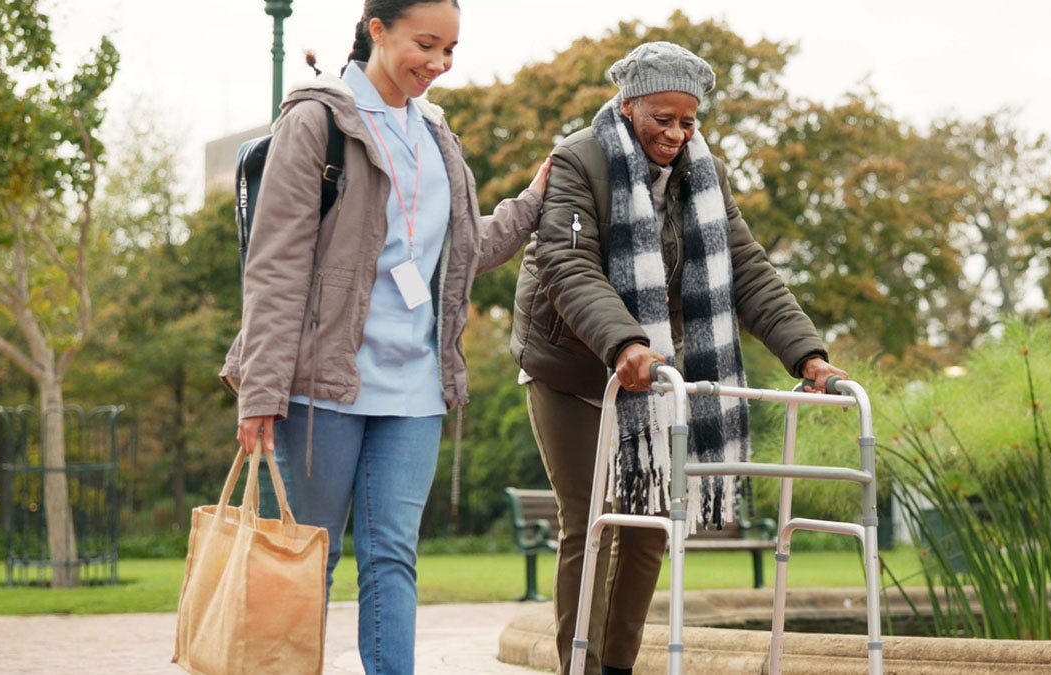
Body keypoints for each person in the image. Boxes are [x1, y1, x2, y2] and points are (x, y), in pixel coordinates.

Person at [218, 1, 549, 673]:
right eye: (425, 44)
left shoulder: (434, 133)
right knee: (311, 558)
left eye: (450, 49)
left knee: (393, 555)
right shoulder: (317, 120)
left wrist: (533, 201)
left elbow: (460, 249)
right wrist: (260, 391)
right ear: (377, 30)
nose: (438, 63)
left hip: (415, 387)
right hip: (322, 386)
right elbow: (276, 264)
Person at [510, 41, 847, 675]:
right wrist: (625, 342)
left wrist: (809, 357)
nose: (675, 132)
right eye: (662, 117)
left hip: (658, 372)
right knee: (592, 521)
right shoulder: (580, 161)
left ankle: (617, 667)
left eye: (687, 120)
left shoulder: (704, 173)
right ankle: (576, 667)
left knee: (648, 524)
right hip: (574, 368)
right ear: (628, 103)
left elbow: (745, 269)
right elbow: (568, 265)